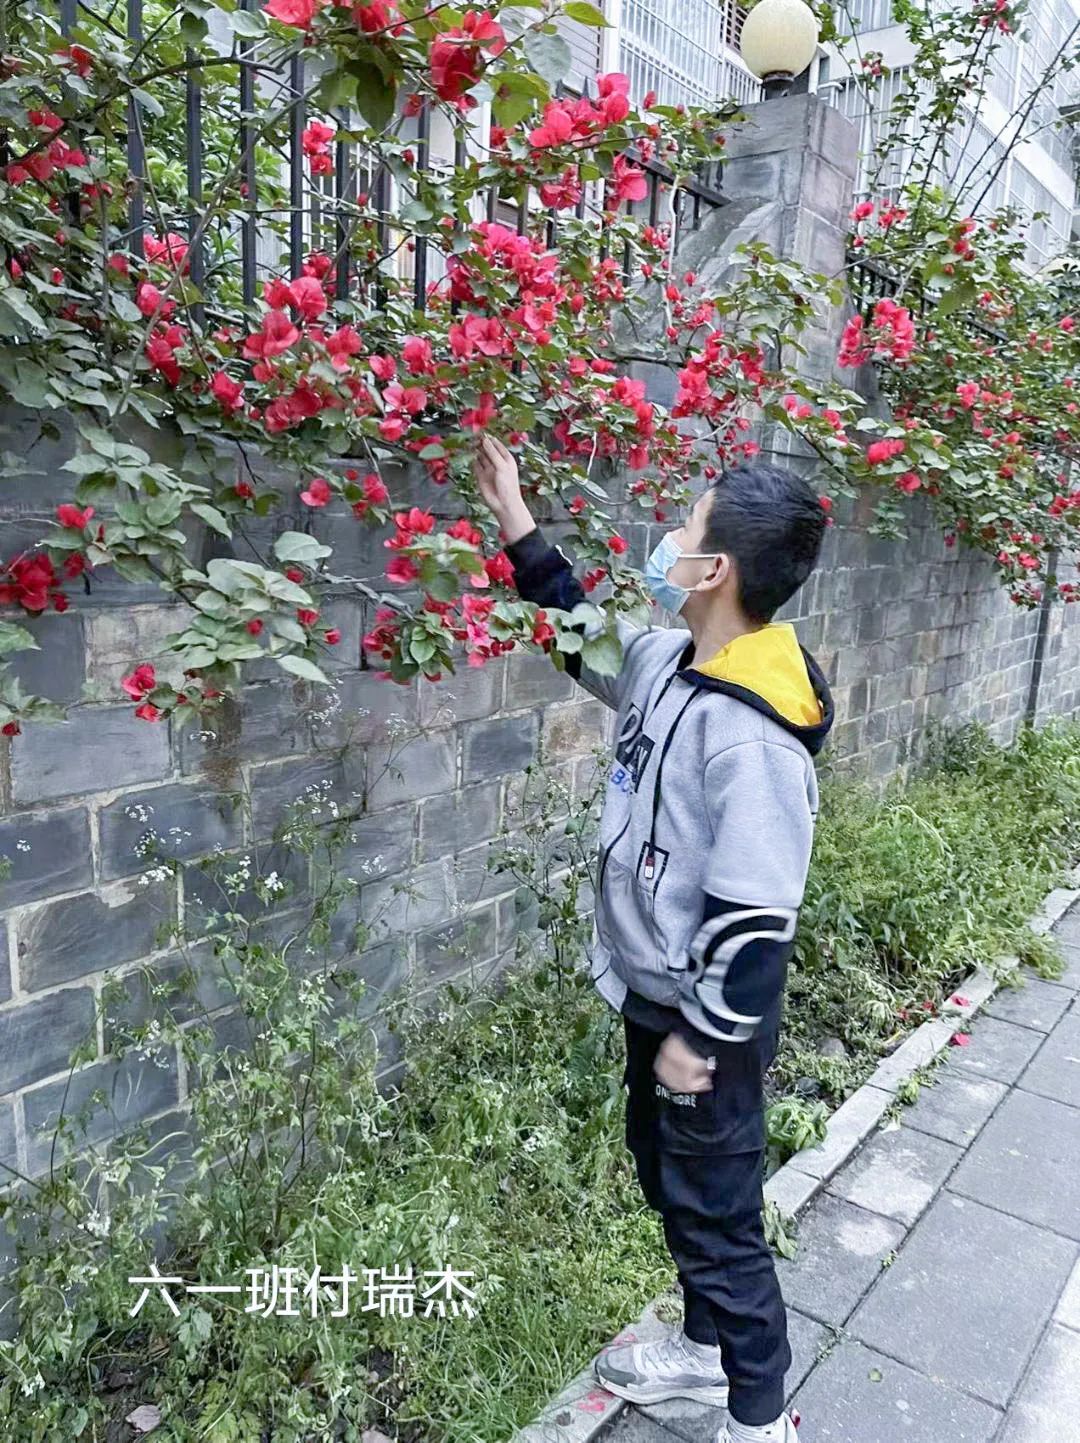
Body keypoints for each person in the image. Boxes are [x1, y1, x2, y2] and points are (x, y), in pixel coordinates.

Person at [474, 435, 835, 1443]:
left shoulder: (754, 735)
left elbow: (759, 916)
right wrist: (513, 514)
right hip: (656, 1001)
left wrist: (705, 1038)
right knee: (665, 1177)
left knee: (719, 1218)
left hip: (705, 1028)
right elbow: (581, 633)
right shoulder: (668, 664)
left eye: (684, 528)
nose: (664, 539)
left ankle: (760, 1419)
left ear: (714, 570)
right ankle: (702, 1353)